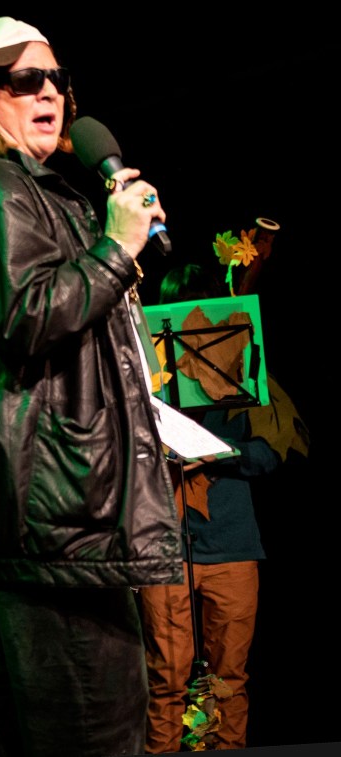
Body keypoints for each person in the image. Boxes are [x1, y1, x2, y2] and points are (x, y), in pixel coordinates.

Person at [0, 16, 184, 757]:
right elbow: (30, 317)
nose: (50, 92)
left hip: (37, 507)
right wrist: (116, 247)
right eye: (26, 81)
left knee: (4, 711)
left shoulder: (13, 187)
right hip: (53, 510)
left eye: (57, 79)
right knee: (101, 724)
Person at [138, 263, 307, 751]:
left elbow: (271, 453)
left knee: (226, 679)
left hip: (231, 546)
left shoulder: (246, 376)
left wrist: (214, 452)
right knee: (166, 681)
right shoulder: (145, 379)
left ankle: (214, 749)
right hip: (165, 548)